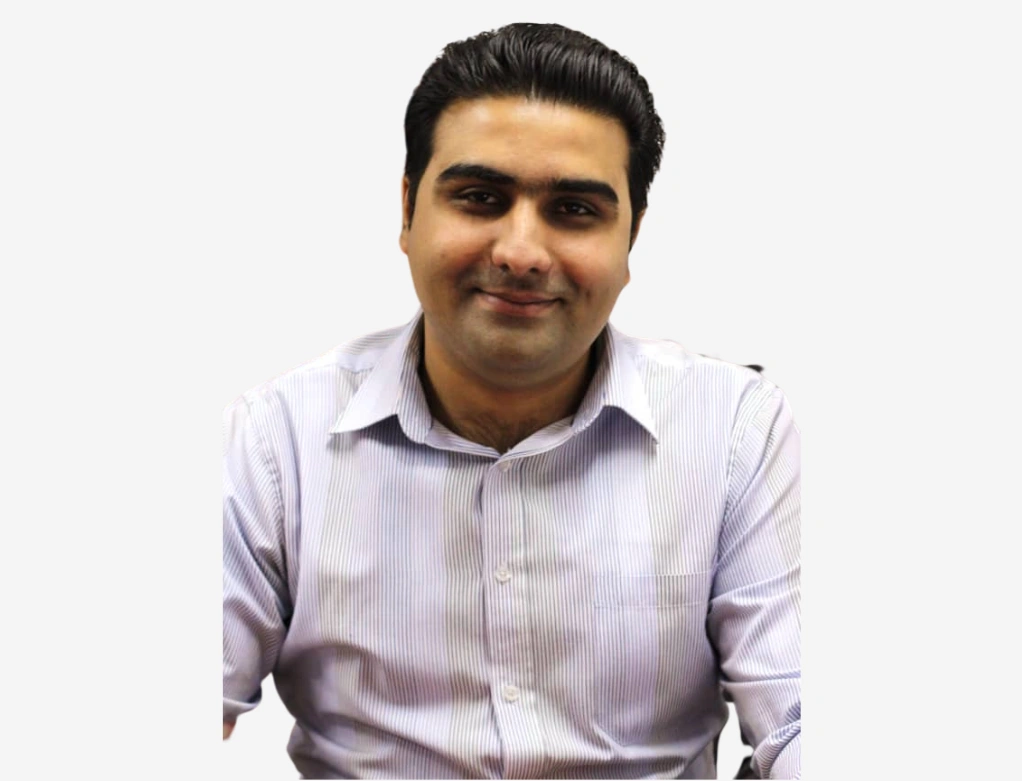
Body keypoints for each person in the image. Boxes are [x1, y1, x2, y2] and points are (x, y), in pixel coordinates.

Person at [223, 22, 800, 780]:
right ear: (407, 211)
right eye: (480, 197)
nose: (521, 252)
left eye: (575, 210)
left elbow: (802, 718)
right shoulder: (276, 442)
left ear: (632, 236)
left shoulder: (734, 432)